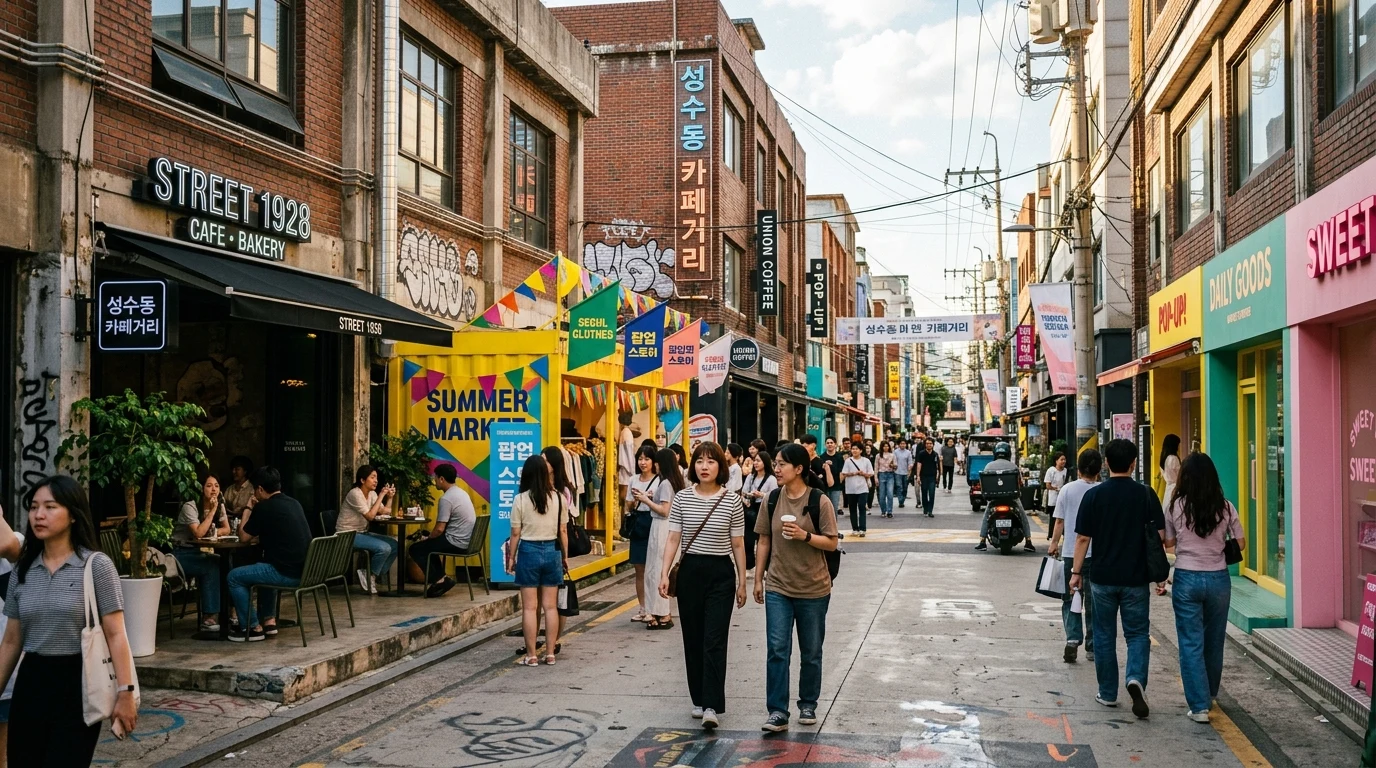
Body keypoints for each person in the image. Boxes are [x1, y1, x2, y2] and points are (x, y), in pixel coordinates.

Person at [0, 476, 137, 764]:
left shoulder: (95, 565)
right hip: (31, 682)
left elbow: (116, 634)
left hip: (78, 683)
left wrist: (126, 693)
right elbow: (12, 640)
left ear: (73, 515)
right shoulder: (23, 570)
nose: (39, 515)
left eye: (50, 507)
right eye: (34, 507)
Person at [1070, 438, 1166, 720]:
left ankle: (1108, 693)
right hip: (1136, 578)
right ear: (1134, 463)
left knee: (1103, 634)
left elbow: (1083, 538)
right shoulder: (1146, 495)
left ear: (1106, 464)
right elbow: (1159, 537)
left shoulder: (1094, 496)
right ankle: (1135, 678)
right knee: (1137, 634)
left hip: (1102, 578)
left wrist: (1076, 573)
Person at [657, 442, 747, 730]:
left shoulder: (732, 500)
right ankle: (699, 697)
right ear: (692, 466)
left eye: (710, 461)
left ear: (721, 466)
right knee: (693, 638)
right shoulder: (683, 498)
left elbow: (738, 543)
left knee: (715, 639)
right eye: (699, 461)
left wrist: (743, 581)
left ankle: (711, 705)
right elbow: (673, 538)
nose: (704, 466)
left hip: (721, 573)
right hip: (690, 572)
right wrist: (663, 572)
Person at [753, 444, 839, 733]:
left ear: (799, 469)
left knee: (811, 651)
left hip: (814, 588)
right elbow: (763, 540)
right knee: (777, 649)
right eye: (775, 464)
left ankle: (808, 703)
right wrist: (757, 579)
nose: (776, 469)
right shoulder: (771, 499)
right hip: (778, 585)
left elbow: (832, 542)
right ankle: (777, 711)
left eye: (781, 465)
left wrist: (804, 536)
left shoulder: (820, 501)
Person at [1163, 452, 1243, 724]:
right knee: (1214, 641)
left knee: (1190, 642)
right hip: (1219, 578)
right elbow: (1241, 543)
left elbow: (1169, 544)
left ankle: (1198, 706)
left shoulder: (1176, 506)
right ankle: (1208, 694)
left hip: (1186, 577)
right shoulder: (1225, 506)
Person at [228, 467, 313, 642]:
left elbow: (243, 536)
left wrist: (248, 508)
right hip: (307, 572)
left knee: (234, 577)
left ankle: (252, 628)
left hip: (287, 574)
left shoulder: (264, 507)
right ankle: (269, 621)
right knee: (266, 565)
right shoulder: (294, 503)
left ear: (259, 489)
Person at [507, 454, 570, 666]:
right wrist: (565, 556)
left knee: (529, 608)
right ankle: (550, 653)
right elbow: (563, 530)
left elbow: (515, 533)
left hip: (528, 552)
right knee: (550, 607)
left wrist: (510, 558)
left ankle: (531, 655)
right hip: (552, 551)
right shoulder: (559, 498)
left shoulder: (520, 499)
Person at [1050, 449, 1102, 664]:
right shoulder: (1103, 491)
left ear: (1078, 469)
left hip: (1072, 553)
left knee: (1070, 597)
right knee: (1094, 601)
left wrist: (1054, 543)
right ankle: (1092, 646)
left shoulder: (1067, 490)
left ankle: (1072, 639)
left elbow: (1060, 521)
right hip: (1097, 555)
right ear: (1099, 469)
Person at [173, 474, 231, 633]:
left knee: (226, 563)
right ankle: (210, 616)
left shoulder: (220, 505)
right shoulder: (190, 507)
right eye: (209, 486)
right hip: (181, 554)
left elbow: (227, 529)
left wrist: (213, 530)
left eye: (217, 486)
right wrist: (212, 512)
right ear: (201, 488)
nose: (214, 489)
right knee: (211, 566)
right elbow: (198, 533)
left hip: (199, 552)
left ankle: (230, 612)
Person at [409, 464, 477, 598]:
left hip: (456, 543)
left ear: (441, 479)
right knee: (429, 547)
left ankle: (439, 579)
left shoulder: (446, 498)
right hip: (467, 541)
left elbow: (439, 529)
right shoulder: (462, 493)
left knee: (415, 549)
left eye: (435, 477)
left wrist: (428, 539)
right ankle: (441, 579)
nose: (434, 481)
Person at [336, 465, 399, 594]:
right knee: (384, 548)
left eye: (376, 477)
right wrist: (381, 495)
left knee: (394, 545)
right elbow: (370, 516)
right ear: (362, 480)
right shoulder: (355, 493)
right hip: (347, 534)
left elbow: (385, 511)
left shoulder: (372, 494)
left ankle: (371, 575)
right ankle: (370, 575)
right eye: (372, 477)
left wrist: (390, 498)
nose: (376, 480)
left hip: (362, 533)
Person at [642, 449, 685, 629]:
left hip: (662, 527)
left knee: (657, 571)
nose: (655, 465)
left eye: (656, 462)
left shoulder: (666, 483)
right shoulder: (673, 482)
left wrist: (646, 500)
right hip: (666, 527)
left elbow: (664, 510)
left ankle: (663, 614)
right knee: (656, 571)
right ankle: (658, 612)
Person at [975, 442, 1036, 551]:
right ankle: (1028, 541)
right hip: (1012, 498)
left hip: (994, 499)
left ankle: (982, 541)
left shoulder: (988, 466)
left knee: (986, 516)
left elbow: (982, 484)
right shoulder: (1013, 466)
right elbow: (1020, 483)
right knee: (1022, 515)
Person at [626, 445, 661, 622]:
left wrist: (648, 497)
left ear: (653, 461)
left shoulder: (659, 481)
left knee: (654, 568)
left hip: (653, 521)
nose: (643, 462)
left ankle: (655, 606)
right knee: (640, 568)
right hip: (638, 522)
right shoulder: (633, 480)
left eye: (646, 459)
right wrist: (635, 500)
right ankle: (642, 607)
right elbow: (627, 505)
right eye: (640, 459)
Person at [741, 451, 778, 571]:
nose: (755, 463)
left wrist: (761, 495)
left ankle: (766, 567)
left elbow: (774, 495)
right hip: (750, 509)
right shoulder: (750, 477)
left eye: (758, 461)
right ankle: (749, 566)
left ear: (765, 462)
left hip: (764, 509)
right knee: (748, 539)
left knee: (764, 539)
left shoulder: (771, 479)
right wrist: (746, 497)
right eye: (754, 461)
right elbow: (744, 491)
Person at [839, 443, 873, 537]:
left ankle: (862, 528)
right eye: (853, 449)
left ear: (861, 450)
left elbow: (871, 473)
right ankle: (855, 528)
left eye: (856, 449)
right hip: (850, 489)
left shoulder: (866, 461)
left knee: (862, 507)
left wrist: (863, 474)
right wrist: (855, 473)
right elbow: (844, 473)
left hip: (863, 488)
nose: (854, 450)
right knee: (852, 509)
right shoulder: (848, 461)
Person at [912, 437, 940, 517]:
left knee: (932, 494)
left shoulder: (935, 454)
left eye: (930, 443)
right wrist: (918, 476)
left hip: (932, 477)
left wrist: (938, 476)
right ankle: (925, 509)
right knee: (924, 493)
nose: (929, 445)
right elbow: (919, 465)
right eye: (927, 443)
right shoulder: (921, 454)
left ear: (933, 445)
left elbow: (937, 466)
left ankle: (930, 511)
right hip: (923, 476)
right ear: (925, 444)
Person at [617, 412, 637, 519]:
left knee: (623, 499)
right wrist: (632, 471)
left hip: (625, 470)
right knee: (625, 499)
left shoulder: (624, 432)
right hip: (627, 470)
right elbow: (629, 454)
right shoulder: (627, 433)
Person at [223, 455, 256, 520]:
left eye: (237, 469)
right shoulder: (229, 489)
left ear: (245, 471)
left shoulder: (252, 490)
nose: (234, 472)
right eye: (233, 469)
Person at [1044, 453, 1068, 540]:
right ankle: (1051, 535)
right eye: (1061, 459)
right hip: (1053, 498)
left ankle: (1064, 533)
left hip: (1062, 496)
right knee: (1053, 517)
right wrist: (1055, 488)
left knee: (1063, 516)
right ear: (1056, 461)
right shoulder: (1051, 470)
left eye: (1064, 459)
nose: (1063, 461)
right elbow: (1047, 485)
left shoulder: (1065, 471)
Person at [823, 437, 846, 514]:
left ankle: (834, 525)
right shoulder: (822, 457)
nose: (829, 444)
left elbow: (842, 471)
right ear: (825, 445)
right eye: (828, 443)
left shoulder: (839, 457)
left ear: (835, 444)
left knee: (834, 508)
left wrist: (840, 483)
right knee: (825, 509)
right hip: (825, 486)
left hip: (836, 487)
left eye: (831, 443)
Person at [874, 440, 897, 519]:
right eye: (884, 446)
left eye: (887, 446)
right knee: (882, 495)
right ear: (882, 447)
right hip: (881, 475)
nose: (886, 447)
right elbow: (876, 467)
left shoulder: (892, 455)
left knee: (890, 494)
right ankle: (883, 510)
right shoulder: (878, 456)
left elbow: (896, 466)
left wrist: (893, 465)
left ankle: (889, 511)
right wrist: (876, 477)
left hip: (890, 475)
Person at [1160, 434, 1182, 505]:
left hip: (1168, 490)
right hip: (1177, 490)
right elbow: (1180, 475)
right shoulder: (1173, 458)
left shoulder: (1163, 459)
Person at [892, 438, 913, 508]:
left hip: (906, 472)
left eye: (904, 444)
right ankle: (900, 500)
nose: (903, 445)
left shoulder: (908, 452)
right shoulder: (895, 452)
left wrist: (910, 467)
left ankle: (903, 499)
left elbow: (910, 462)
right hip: (897, 472)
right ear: (899, 444)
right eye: (901, 443)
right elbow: (893, 461)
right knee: (899, 486)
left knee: (905, 487)